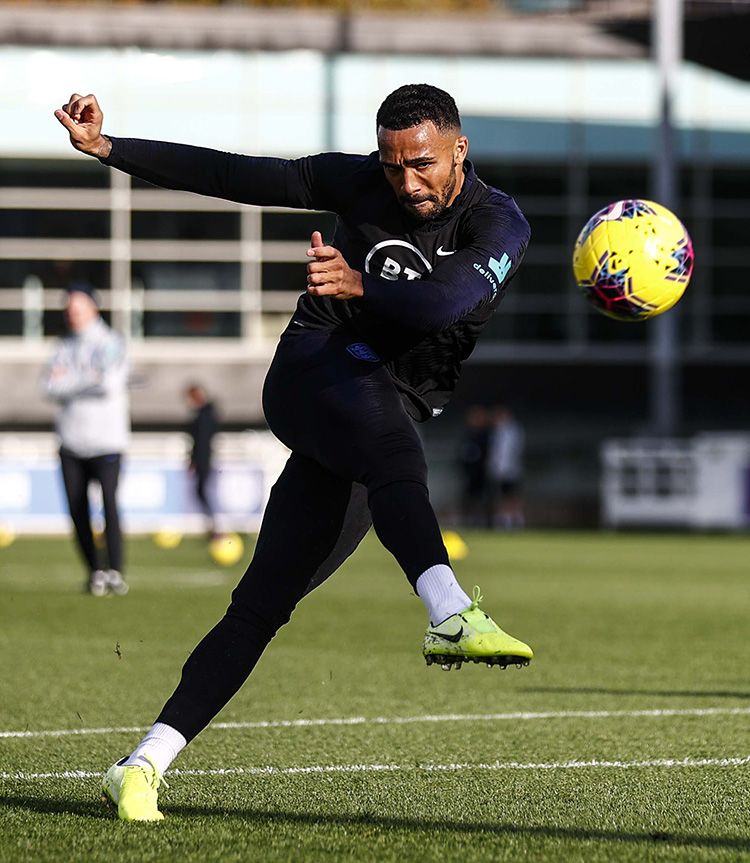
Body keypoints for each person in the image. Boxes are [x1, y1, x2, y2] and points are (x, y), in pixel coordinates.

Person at [55, 83, 533, 821]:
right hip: (317, 367)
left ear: (459, 150)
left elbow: (442, 302)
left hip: (379, 413)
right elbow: (233, 175)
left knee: (261, 605)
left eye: (423, 164)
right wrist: (111, 149)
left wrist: (361, 281)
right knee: (396, 455)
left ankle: (143, 761)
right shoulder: (359, 180)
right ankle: (447, 609)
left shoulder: (499, 223)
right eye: (392, 163)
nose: (406, 182)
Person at [41, 282, 130, 596]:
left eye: (77, 308)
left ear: (93, 308)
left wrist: (70, 382)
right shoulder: (62, 346)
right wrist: (85, 380)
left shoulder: (111, 342)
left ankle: (115, 570)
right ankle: (95, 571)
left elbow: (106, 383)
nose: (72, 314)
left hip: (107, 441)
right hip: (70, 442)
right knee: (77, 510)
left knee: (109, 506)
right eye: (69, 309)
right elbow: (48, 387)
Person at [184, 383, 219, 537]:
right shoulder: (206, 413)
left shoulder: (203, 416)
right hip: (204, 459)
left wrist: (195, 460)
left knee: (202, 491)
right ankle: (212, 525)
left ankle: (214, 526)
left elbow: (201, 441)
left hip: (204, 459)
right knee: (201, 491)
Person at [487, 405, 525, 529]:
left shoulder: (513, 431)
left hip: (511, 470)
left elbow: (514, 451)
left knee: (511, 495)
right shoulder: (497, 431)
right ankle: (503, 519)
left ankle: (515, 519)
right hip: (498, 470)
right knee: (500, 495)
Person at [457, 405, 491, 527]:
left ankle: (484, 521)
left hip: (482, 472)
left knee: (483, 497)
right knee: (469, 497)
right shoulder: (467, 434)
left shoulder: (486, 435)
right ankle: (470, 521)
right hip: (469, 472)